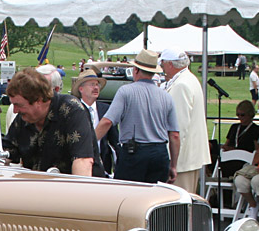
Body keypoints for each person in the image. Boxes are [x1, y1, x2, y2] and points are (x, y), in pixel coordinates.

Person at [94, 49, 179, 184]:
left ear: (136, 70)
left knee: (126, 196)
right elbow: (174, 135)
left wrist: (90, 145)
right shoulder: (166, 97)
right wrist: (173, 165)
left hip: (134, 152)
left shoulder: (126, 92)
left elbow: (107, 122)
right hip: (159, 153)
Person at [4, 67, 101, 177]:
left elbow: (83, 161)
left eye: (19, 105)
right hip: (38, 189)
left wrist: (78, 193)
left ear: (39, 100)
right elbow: (6, 153)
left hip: (77, 189)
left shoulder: (72, 110)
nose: (15, 111)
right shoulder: (24, 118)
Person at [159, 49, 209, 194]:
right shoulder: (189, 79)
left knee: (179, 201)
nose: (162, 69)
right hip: (189, 155)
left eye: (163, 64)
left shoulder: (181, 85)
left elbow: (179, 126)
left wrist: (171, 159)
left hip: (183, 158)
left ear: (170, 64)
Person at [71, 69, 117, 174]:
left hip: (103, 166)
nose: (96, 88)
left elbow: (114, 140)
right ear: (81, 89)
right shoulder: (74, 110)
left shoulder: (106, 109)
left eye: (97, 85)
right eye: (92, 84)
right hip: (80, 165)